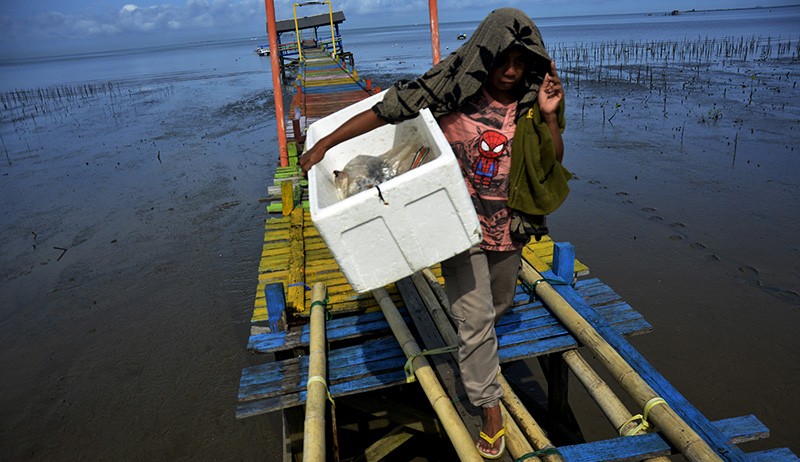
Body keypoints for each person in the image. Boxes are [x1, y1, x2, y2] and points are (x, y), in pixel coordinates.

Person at [300, 8, 564, 459]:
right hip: (456, 223)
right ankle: (489, 407)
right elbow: (386, 110)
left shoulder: (531, 99)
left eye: (521, 62)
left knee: (496, 305)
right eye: (504, 60)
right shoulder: (450, 89)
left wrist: (549, 116)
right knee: (477, 318)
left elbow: (552, 160)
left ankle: (470, 337)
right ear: (485, 53)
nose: (512, 71)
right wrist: (323, 144)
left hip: (509, 226)